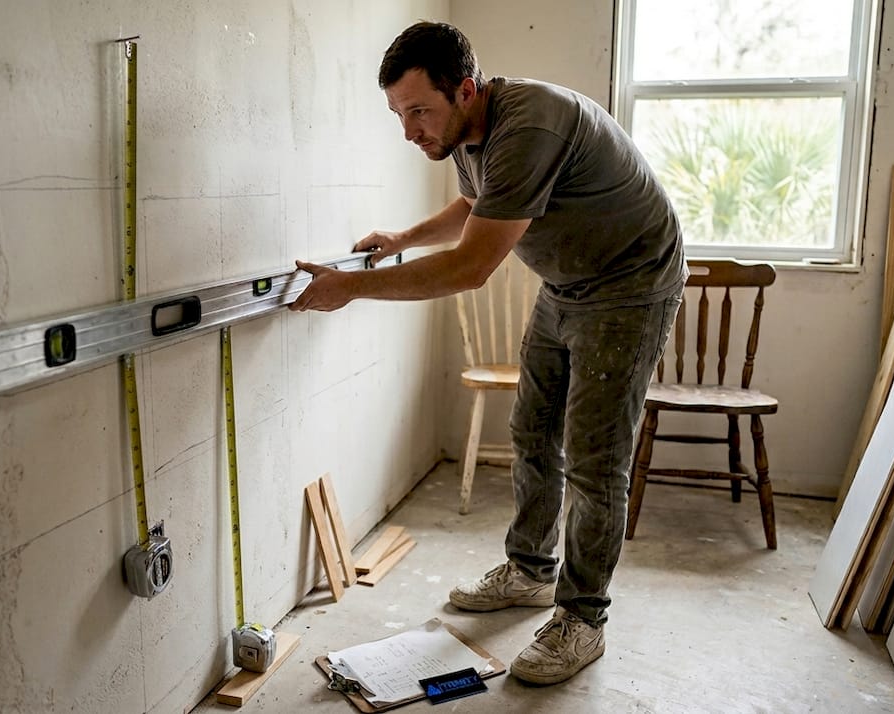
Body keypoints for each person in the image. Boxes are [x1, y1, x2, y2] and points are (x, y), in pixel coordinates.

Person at [290, 21, 686, 685]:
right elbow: (475, 204)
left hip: (630, 286)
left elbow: (471, 266)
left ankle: (583, 618)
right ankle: (531, 571)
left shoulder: (531, 126)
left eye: (419, 111)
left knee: (595, 459)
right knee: (532, 430)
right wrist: (401, 237)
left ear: (466, 90)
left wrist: (351, 288)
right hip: (567, 282)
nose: (409, 130)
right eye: (398, 113)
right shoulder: (469, 133)